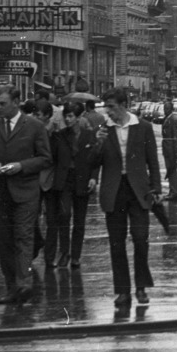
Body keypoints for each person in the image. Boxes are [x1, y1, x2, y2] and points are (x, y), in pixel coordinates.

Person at [90, 88, 163, 310]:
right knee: (116, 243)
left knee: (141, 239)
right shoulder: (103, 130)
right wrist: (98, 143)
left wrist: (157, 188)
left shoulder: (143, 127)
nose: (108, 112)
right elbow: (93, 162)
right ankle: (122, 291)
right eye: (106, 107)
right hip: (114, 190)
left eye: (111, 107)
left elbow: (152, 160)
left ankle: (141, 287)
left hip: (138, 190)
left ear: (123, 105)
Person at [0, 85, 53, 305]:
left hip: (25, 191)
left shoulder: (34, 126)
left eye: (2, 103)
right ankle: (11, 288)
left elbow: (45, 158)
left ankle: (24, 284)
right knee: (4, 241)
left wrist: (21, 166)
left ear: (16, 102)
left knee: (23, 236)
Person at [59, 101, 100, 269]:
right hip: (65, 179)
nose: (68, 120)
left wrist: (93, 177)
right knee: (64, 214)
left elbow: (95, 158)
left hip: (82, 179)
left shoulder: (88, 135)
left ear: (77, 118)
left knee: (79, 220)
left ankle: (75, 255)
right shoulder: (60, 135)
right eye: (66, 116)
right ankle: (64, 253)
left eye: (70, 116)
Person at [37, 97, 76, 269]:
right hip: (46, 183)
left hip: (61, 183)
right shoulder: (38, 132)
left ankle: (64, 254)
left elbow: (64, 158)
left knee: (64, 218)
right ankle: (49, 256)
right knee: (51, 220)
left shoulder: (62, 135)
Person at [160, 100, 177, 201]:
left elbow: (176, 137)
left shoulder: (174, 119)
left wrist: (176, 151)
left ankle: (173, 192)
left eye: (167, 108)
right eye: (164, 108)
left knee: (172, 170)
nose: (165, 110)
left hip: (171, 149)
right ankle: (171, 191)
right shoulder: (167, 118)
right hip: (167, 147)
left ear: (171, 109)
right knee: (170, 169)